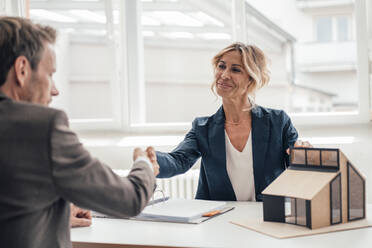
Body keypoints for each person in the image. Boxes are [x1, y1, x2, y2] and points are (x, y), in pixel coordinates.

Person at [0, 16, 159, 248]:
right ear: (22, 69)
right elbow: (130, 199)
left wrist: (57, 213)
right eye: (50, 74)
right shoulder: (42, 127)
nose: (55, 91)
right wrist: (145, 165)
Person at [141, 42, 311, 202]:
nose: (224, 75)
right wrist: (153, 160)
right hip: (219, 220)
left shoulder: (278, 122)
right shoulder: (203, 128)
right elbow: (179, 161)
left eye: (235, 70)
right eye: (221, 66)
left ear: (251, 79)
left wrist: (304, 156)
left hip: (267, 217)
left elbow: (297, 167)